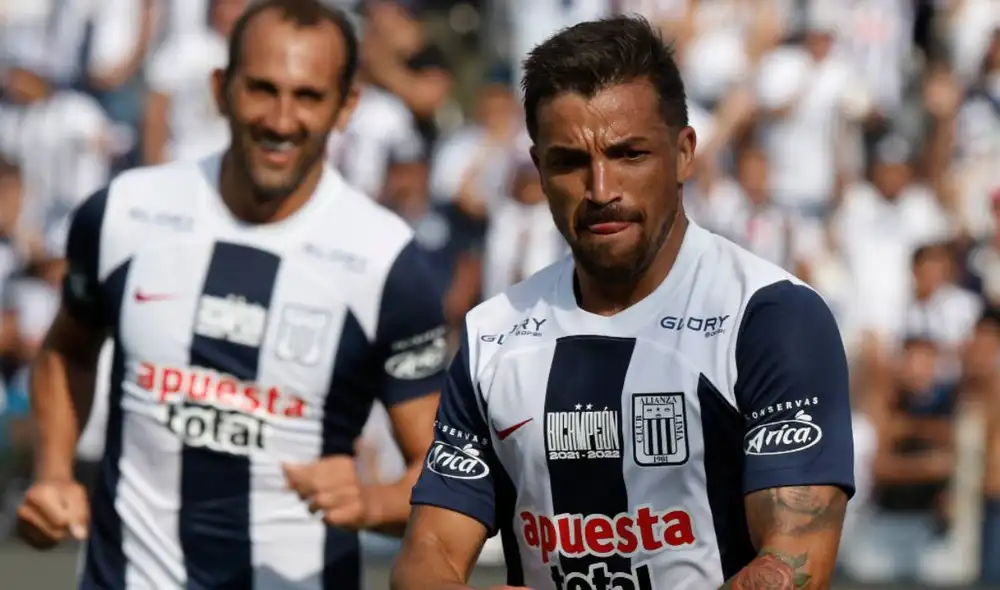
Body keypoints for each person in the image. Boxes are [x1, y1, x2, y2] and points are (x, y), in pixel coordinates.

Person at [392, 16, 855, 590]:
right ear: (538, 170)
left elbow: (795, 563)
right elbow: (428, 549)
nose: (602, 189)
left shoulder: (769, 316)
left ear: (684, 154)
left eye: (629, 154)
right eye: (570, 162)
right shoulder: (493, 334)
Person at [15, 1, 449, 589]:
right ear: (220, 89)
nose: (281, 118)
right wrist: (53, 472)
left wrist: (373, 503)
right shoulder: (124, 213)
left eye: (308, 96)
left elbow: (443, 479)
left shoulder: (387, 262)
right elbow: (68, 349)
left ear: (346, 106)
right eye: (261, 89)